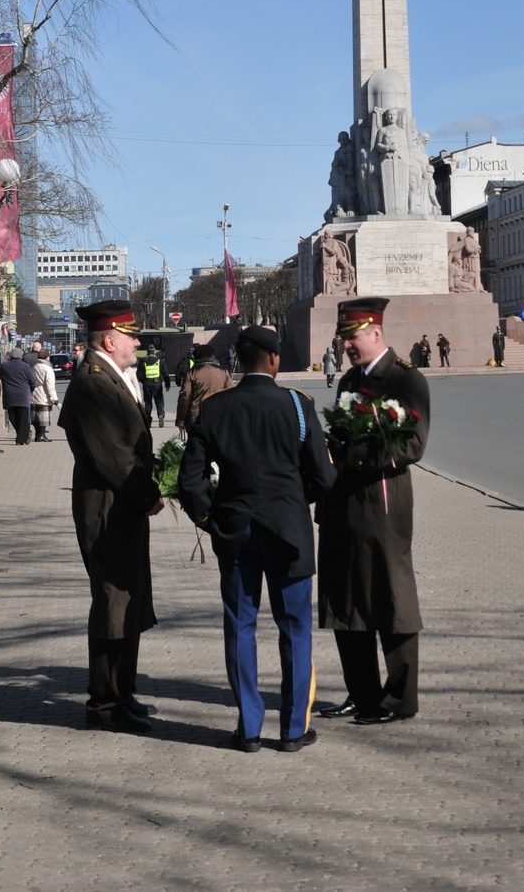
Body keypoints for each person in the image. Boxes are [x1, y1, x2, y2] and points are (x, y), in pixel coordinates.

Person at [179, 325, 335, 752]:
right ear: (273, 359)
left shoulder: (214, 410)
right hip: (288, 532)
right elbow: (323, 475)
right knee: (295, 629)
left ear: (239, 362)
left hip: (236, 533)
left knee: (240, 626)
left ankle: (248, 729)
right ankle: (293, 730)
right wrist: (297, 500)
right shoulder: (299, 406)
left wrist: (210, 516)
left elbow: (189, 479)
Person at [318, 297, 429, 726]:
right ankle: (361, 693)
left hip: (382, 500)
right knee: (347, 596)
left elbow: (412, 444)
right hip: (343, 502)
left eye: (353, 337)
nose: (347, 345)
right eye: (344, 338)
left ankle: (400, 698)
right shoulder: (348, 381)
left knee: (390, 595)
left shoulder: (405, 379)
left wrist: (354, 457)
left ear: (376, 333)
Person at [57, 300, 164, 733]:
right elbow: (114, 456)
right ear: (110, 339)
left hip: (120, 504)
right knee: (112, 602)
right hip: (107, 505)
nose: (138, 342)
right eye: (132, 335)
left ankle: (123, 693)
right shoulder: (93, 382)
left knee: (128, 597)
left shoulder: (111, 376)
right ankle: (104, 704)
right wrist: (148, 493)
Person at [175, 340, 232, 435]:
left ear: (197, 358)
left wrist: (180, 420)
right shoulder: (223, 372)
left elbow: (185, 395)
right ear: (211, 356)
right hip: (218, 417)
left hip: (197, 417)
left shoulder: (192, 373)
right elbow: (230, 395)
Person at [0, 347, 37, 445]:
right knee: (23, 418)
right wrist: (30, 389)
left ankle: (22, 435)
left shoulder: (4, 366)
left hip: (10, 396)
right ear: (20, 356)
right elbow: (32, 381)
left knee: (13, 417)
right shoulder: (25, 366)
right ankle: (21, 438)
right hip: (23, 395)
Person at [137, 344, 170, 427]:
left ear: (147, 351)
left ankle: (148, 420)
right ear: (154, 351)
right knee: (159, 401)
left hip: (147, 384)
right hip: (157, 383)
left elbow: (139, 375)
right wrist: (167, 384)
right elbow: (165, 373)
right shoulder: (159, 360)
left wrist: (144, 381)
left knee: (148, 402)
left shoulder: (143, 361)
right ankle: (160, 415)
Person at [31, 348, 59, 441]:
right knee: (43, 417)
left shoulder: (34, 366)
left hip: (34, 393)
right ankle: (41, 435)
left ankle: (37, 435)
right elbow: (50, 385)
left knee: (36, 417)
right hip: (44, 395)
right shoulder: (48, 369)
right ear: (47, 357)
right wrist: (54, 398)